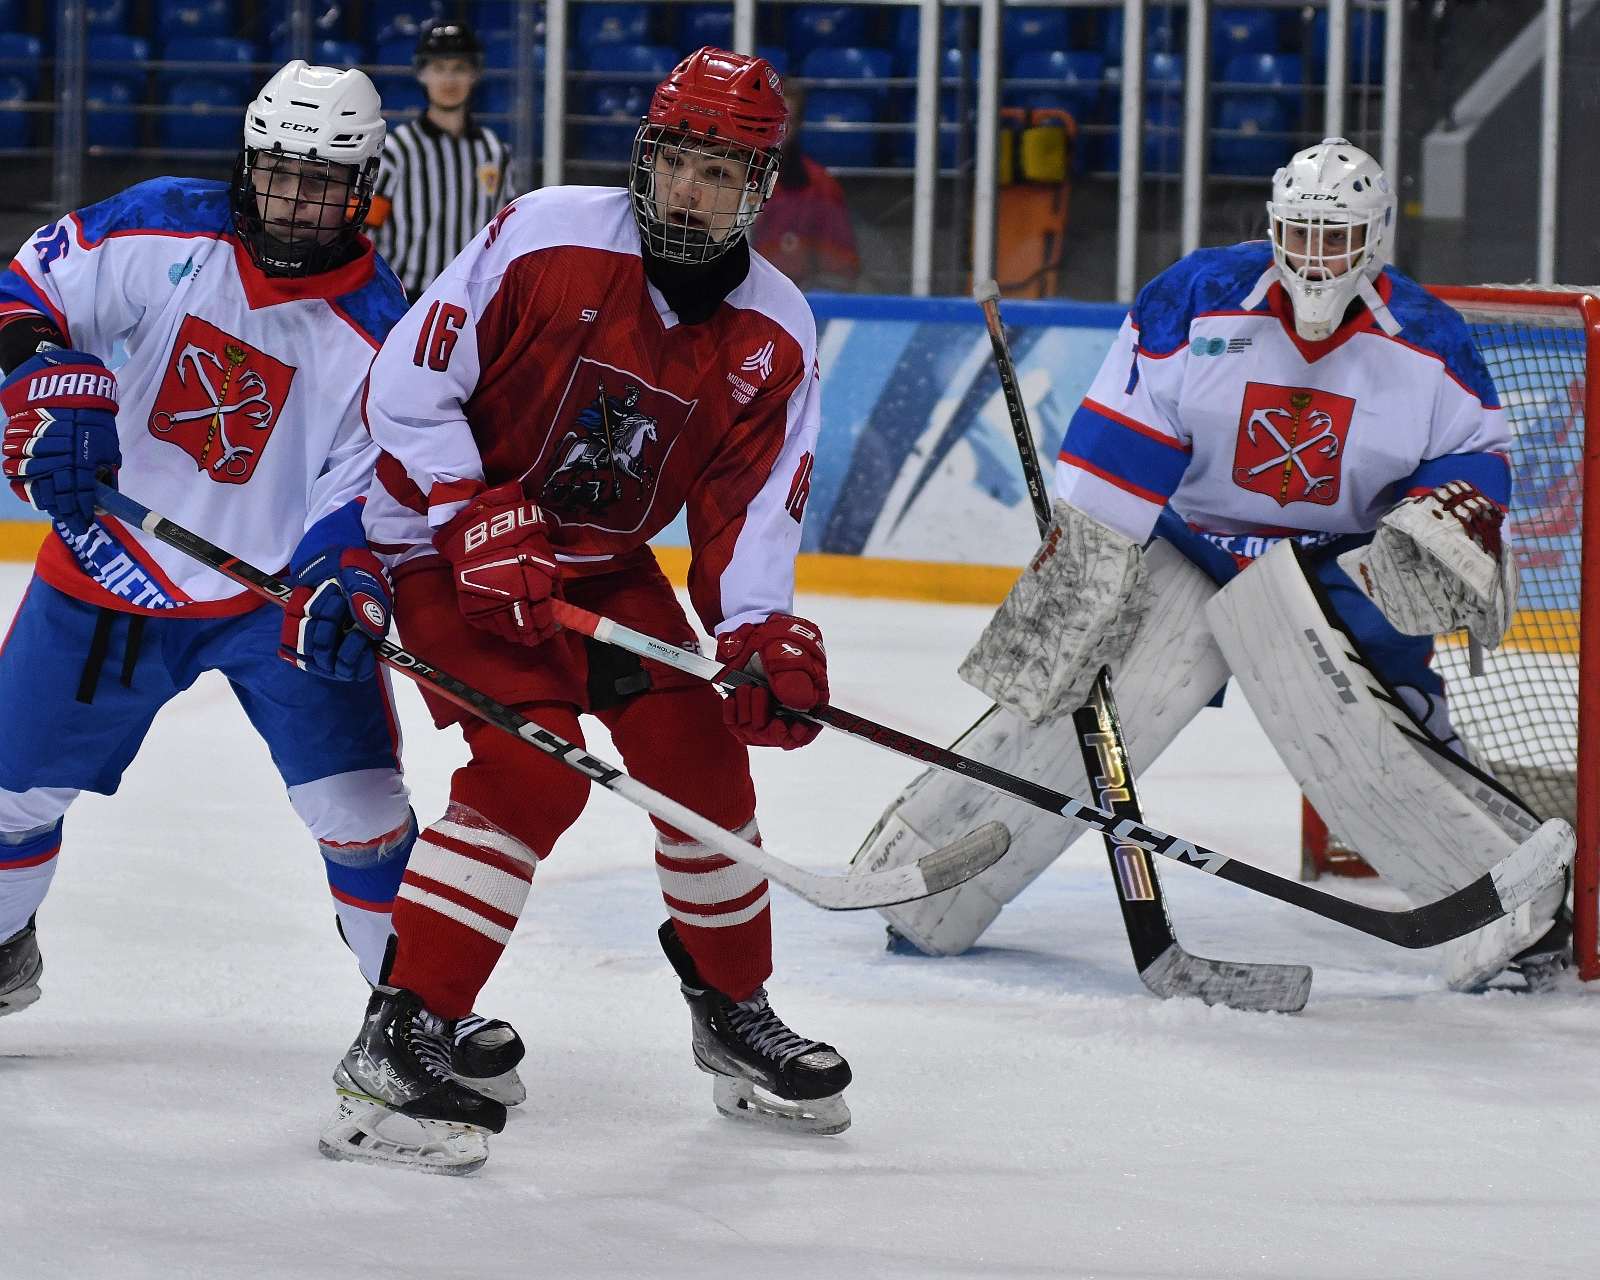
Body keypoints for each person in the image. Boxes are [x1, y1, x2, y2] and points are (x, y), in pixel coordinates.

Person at [853, 138, 1570, 993]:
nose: (1315, 257)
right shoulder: (1198, 295)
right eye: (1299, 234)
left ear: (1375, 238)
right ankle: (928, 881)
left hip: (1339, 564)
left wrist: (1437, 520)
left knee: (1390, 736)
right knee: (1081, 702)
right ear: (1272, 227)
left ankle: (1520, 917)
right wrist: (1085, 576)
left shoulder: (1429, 339)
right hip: (1196, 542)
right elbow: (1124, 440)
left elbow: (1474, 453)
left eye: (1336, 238)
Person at [319, 47, 847, 1176]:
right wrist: (464, 505)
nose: (690, 192)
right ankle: (399, 1034)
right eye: (677, 163)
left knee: (703, 764)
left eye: (721, 172)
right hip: (448, 547)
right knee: (534, 768)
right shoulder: (547, 232)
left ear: (758, 188)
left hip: (599, 566)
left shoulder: (780, 330)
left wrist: (758, 631)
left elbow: (751, 506)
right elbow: (406, 382)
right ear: (645, 159)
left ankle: (732, 1008)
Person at [0, 62, 527, 1091]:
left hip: (276, 603)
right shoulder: (162, 223)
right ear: (249, 163)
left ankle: (414, 1015)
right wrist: (47, 384)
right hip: (108, 572)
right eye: (278, 173)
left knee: (366, 814)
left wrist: (345, 570)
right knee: (7, 798)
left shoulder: (383, 331)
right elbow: (25, 291)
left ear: (362, 188)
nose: (292, 199)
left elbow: (363, 491)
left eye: (319, 182)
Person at [366, 21, 512, 304]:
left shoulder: (495, 152)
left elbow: (503, 233)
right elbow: (365, 229)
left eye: (459, 68)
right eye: (438, 68)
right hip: (406, 299)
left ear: (474, 74)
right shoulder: (397, 150)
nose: (449, 79)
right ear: (422, 74)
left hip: (473, 300)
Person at [750, 79, 859, 291]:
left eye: (786, 120)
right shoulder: (718, 175)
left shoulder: (820, 184)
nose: (777, 128)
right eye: (770, 117)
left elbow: (839, 269)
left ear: (798, 125)